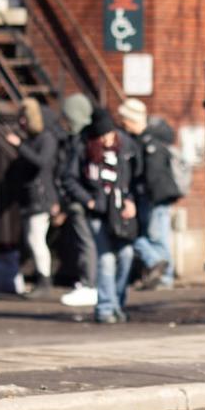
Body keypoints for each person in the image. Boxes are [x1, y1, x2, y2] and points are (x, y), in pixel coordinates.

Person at [61, 108, 137, 323]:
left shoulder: (123, 147)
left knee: (126, 255)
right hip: (97, 213)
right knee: (106, 259)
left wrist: (130, 200)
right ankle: (105, 309)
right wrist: (89, 200)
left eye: (110, 135)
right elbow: (69, 178)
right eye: (102, 136)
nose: (106, 140)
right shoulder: (83, 147)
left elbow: (132, 178)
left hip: (120, 211)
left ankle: (117, 303)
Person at [119, 99, 182, 289]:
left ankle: (163, 274)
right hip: (151, 197)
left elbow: (153, 174)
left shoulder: (149, 142)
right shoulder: (141, 140)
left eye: (125, 120)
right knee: (154, 236)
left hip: (155, 198)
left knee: (156, 236)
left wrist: (147, 194)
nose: (124, 124)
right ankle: (162, 273)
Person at [5, 97, 58, 298]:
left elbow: (41, 162)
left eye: (24, 118)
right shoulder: (31, 139)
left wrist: (20, 146)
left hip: (41, 196)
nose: (21, 122)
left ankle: (44, 281)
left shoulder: (46, 138)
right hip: (29, 196)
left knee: (36, 239)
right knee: (30, 239)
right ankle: (37, 277)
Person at [56, 93, 100, 308]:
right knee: (88, 243)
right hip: (85, 200)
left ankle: (89, 284)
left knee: (87, 243)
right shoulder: (81, 138)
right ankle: (90, 283)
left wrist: (84, 198)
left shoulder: (82, 141)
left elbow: (71, 174)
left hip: (83, 201)